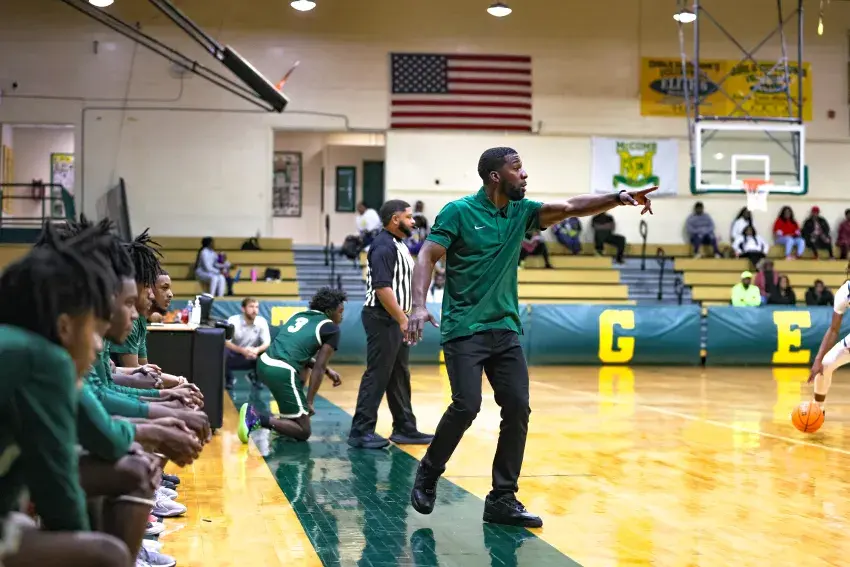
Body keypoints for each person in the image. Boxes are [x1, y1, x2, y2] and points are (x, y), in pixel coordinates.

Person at [404, 147, 655, 528]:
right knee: (467, 405)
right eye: (517, 168)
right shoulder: (459, 212)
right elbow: (427, 256)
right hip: (465, 328)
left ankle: (502, 498)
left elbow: (570, 207)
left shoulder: (521, 212)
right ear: (495, 176)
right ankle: (430, 469)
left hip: (505, 327)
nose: (524, 175)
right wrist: (419, 306)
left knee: (518, 407)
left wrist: (618, 198)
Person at [0, 224, 135, 567]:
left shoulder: (18, 348)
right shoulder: (45, 362)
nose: (99, 345)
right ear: (64, 326)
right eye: (96, 331)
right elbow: (59, 498)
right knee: (106, 555)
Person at [349, 200, 433, 449]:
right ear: (395, 219)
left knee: (398, 375)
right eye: (409, 217)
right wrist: (403, 319)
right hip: (382, 317)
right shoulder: (383, 246)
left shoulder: (399, 244)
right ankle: (360, 431)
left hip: (395, 318)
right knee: (378, 374)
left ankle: (405, 428)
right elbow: (382, 288)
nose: (413, 221)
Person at [237, 287, 347, 443]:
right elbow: (319, 367)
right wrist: (309, 402)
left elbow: (295, 351)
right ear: (329, 311)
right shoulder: (331, 329)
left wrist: (328, 371)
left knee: (301, 375)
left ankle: (284, 423)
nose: (342, 316)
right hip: (282, 371)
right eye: (340, 311)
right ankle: (256, 418)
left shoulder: (299, 315)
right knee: (303, 431)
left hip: (264, 362)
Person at [808, 266, 850, 416]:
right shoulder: (845, 292)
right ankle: (818, 409)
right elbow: (833, 329)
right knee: (825, 365)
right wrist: (818, 359)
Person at [225, 297, 271, 390]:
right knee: (221, 349)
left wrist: (257, 350)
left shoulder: (261, 321)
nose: (254, 310)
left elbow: (267, 342)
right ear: (243, 309)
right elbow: (226, 342)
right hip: (235, 353)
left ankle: (256, 377)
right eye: (251, 307)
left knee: (268, 351)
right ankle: (229, 379)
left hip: (253, 353)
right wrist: (242, 351)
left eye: (256, 307)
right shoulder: (233, 321)